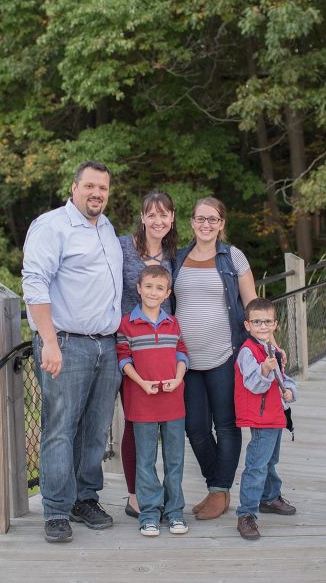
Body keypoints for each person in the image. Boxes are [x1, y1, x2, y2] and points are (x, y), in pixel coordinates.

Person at [21, 160, 124, 544]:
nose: (98, 193)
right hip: (64, 343)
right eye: (91, 186)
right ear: (74, 186)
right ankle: (57, 510)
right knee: (60, 429)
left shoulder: (107, 227)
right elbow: (35, 284)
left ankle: (85, 498)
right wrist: (48, 340)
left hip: (106, 345)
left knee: (96, 430)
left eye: (104, 188)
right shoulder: (52, 226)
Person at [172, 197, 257, 520]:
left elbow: (252, 306)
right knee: (194, 427)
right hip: (185, 360)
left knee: (226, 424)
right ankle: (217, 485)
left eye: (212, 219)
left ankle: (219, 490)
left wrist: (270, 346)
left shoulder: (232, 257)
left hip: (225, 354)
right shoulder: (177, 258)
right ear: (191, 222)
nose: (205, 225)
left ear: (221, 223)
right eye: (199, 219)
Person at [116, 265, 190, 537]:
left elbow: (182, 353)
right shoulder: (126, 324)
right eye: (148, 286)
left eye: (159, 288)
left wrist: (179, 377)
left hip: (173, 402)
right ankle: (148, 513)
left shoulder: (174, 323)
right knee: (145, 460)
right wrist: (141, 383)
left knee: (175, 460)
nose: (153, 292)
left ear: (168, 293)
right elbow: (123, 358)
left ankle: (174, 512)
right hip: (141, 401)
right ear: (138, 288)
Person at [118, 191, 178, 520]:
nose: (158, 221)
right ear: (142, 217)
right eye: (152, 215)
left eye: (164, 215)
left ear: (172, 219)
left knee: (166, 424)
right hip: (128, 344)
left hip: (163, 348)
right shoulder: (122, 248)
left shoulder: (174, 255)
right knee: (133, 421)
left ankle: (169, 495)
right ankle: (135, 494)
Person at [234, 297, 298, 541]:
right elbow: (253, 384)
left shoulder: (274, 350)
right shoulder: (248, 352)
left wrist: (290, 391)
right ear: (248, 325)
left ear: (275, 324)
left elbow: (284, 377)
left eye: (267, 322)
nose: (262, 326)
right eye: (257, 322)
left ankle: (269, 497)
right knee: (257, 465)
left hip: (276, 413)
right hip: (261, 416)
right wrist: (264, 370)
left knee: (271, 459)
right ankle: (246, 514)